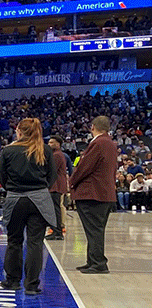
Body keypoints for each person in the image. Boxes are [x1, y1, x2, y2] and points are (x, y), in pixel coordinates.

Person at [0, 117, 56, 294]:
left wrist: (13, 188)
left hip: (15, 199)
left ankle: (12, 281)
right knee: (35, 243)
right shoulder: (45, 149)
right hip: (39, 200)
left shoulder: (8, 150)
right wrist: (40, 188)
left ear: (19, 131)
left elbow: (2, 178)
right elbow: (52, 176)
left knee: (14, 241)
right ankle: (31, 285)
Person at [69, 115, 120, 274]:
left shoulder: (98, 143)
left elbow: (85, 167)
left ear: (92, 127)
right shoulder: (110, 143)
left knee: (94, 230)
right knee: (96, 229)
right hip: (105, 192)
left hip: (92, 193)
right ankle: (92, 260)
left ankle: (98, 263)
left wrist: (71, 182)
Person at [47, 135, 69, 240]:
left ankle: (57, 232)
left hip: (56, 185)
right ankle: (57, 231)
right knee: (56, 208)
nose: (49, 144)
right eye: (49, 142)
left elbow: (52, 170)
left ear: (58, 144)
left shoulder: (56, 155)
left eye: (52, 142)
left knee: (55, 209)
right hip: (57, 185)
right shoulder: (57, 154)